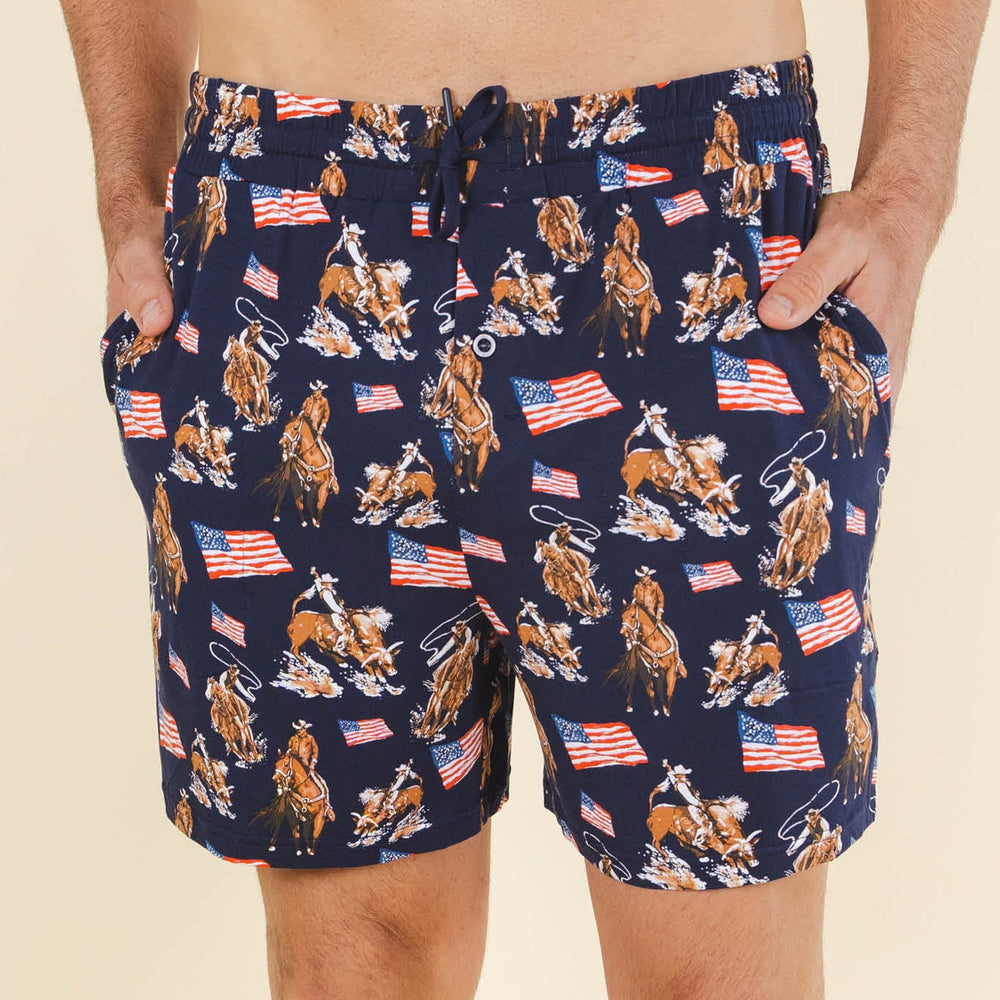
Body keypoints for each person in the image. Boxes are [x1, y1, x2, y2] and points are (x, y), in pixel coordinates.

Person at [64, 1, 990, 997]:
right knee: (355, 961)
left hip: (684, 216)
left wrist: (909, 183)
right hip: (287, 215)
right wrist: (128, 183)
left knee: (713, 973)